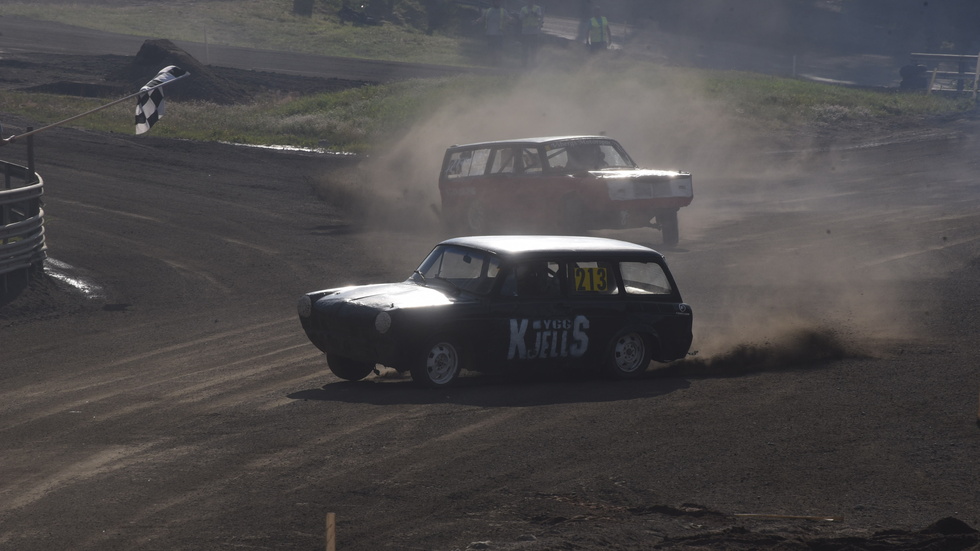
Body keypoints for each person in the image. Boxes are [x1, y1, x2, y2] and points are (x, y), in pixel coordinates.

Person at [473, 0, 513, 67]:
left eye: (499, 1)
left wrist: (512, 20)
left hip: (499, 34)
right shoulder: (488, 11)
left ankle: (498, 62)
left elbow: (509, 18)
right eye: (496, 1)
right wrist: (476, 21)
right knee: (491, 49)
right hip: (490, 33)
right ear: (493, 2)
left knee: (498, 49)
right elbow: (482, 18)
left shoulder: (503, 11)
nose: (497, 2)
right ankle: (491, 62)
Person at [518, 0, 544, 68]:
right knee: (525, 49)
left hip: (534, 32)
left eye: (532, 1)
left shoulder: (537, 8)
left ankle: (533, 64)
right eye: (529, 1)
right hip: (525, 32)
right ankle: (524, 64)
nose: (530, 2)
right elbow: (520, 18)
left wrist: (535, 14)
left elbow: (539, 16)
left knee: (534, 50)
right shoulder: (523, 9)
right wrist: (525, 16)